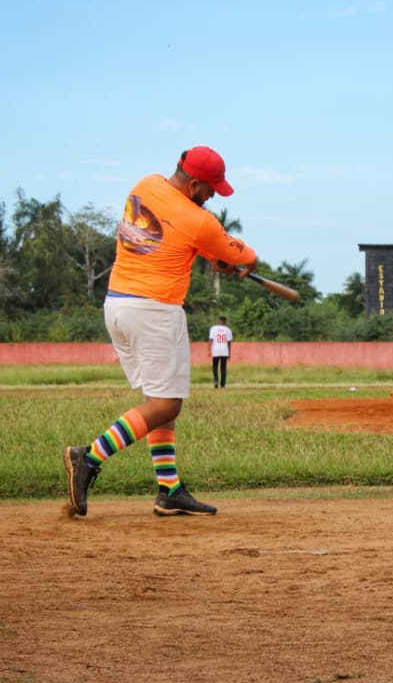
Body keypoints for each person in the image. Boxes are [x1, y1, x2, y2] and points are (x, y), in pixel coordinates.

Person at [63, 146, 257, 518]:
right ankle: (87, 457)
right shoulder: (200, 221)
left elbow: (173, 239)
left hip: (118, 305)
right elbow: (242, 256)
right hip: (154, 311)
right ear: (194, 183)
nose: (214, 194)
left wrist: (210, 256)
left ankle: (169, 490)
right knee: (167, 403)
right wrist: (239, 260)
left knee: (159, 399)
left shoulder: (146, 184)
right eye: (211, 188)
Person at [208, 315, 233, 388]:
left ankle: (216, 382)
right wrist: (229, 353)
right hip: (224, 350)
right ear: (225, 322)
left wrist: (209, 350)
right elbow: (229, 343)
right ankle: (223, 384)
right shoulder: (228, 330)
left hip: (216, 350)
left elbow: (210, 340)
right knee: (223, 368)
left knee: (215, 367)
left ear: (218, 321)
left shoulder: (213, 328)